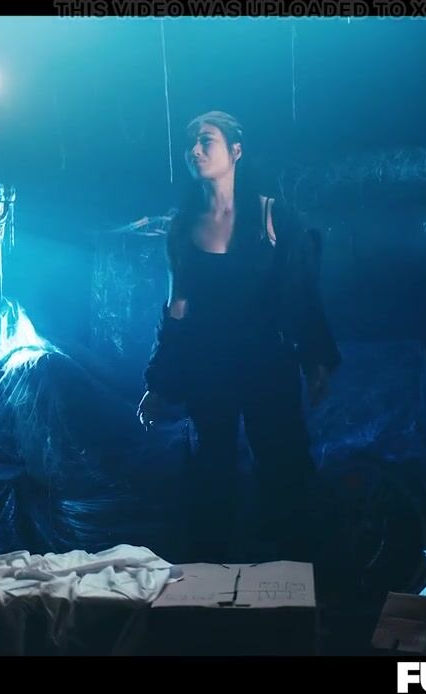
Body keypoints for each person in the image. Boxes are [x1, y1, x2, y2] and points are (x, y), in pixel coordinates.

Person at [137, 111, 340, 563]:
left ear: (236, 151)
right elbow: (178, 309)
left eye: (205, 141)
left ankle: (294, 579)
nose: (194, 150)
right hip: (209, 368)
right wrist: (158, 383)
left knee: (285, 471)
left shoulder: (273, 216)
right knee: (210, 476)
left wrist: (315, 360)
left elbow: (302, 291)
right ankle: (210, 585)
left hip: (267, 363)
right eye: (190, 144)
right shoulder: (182, 228)